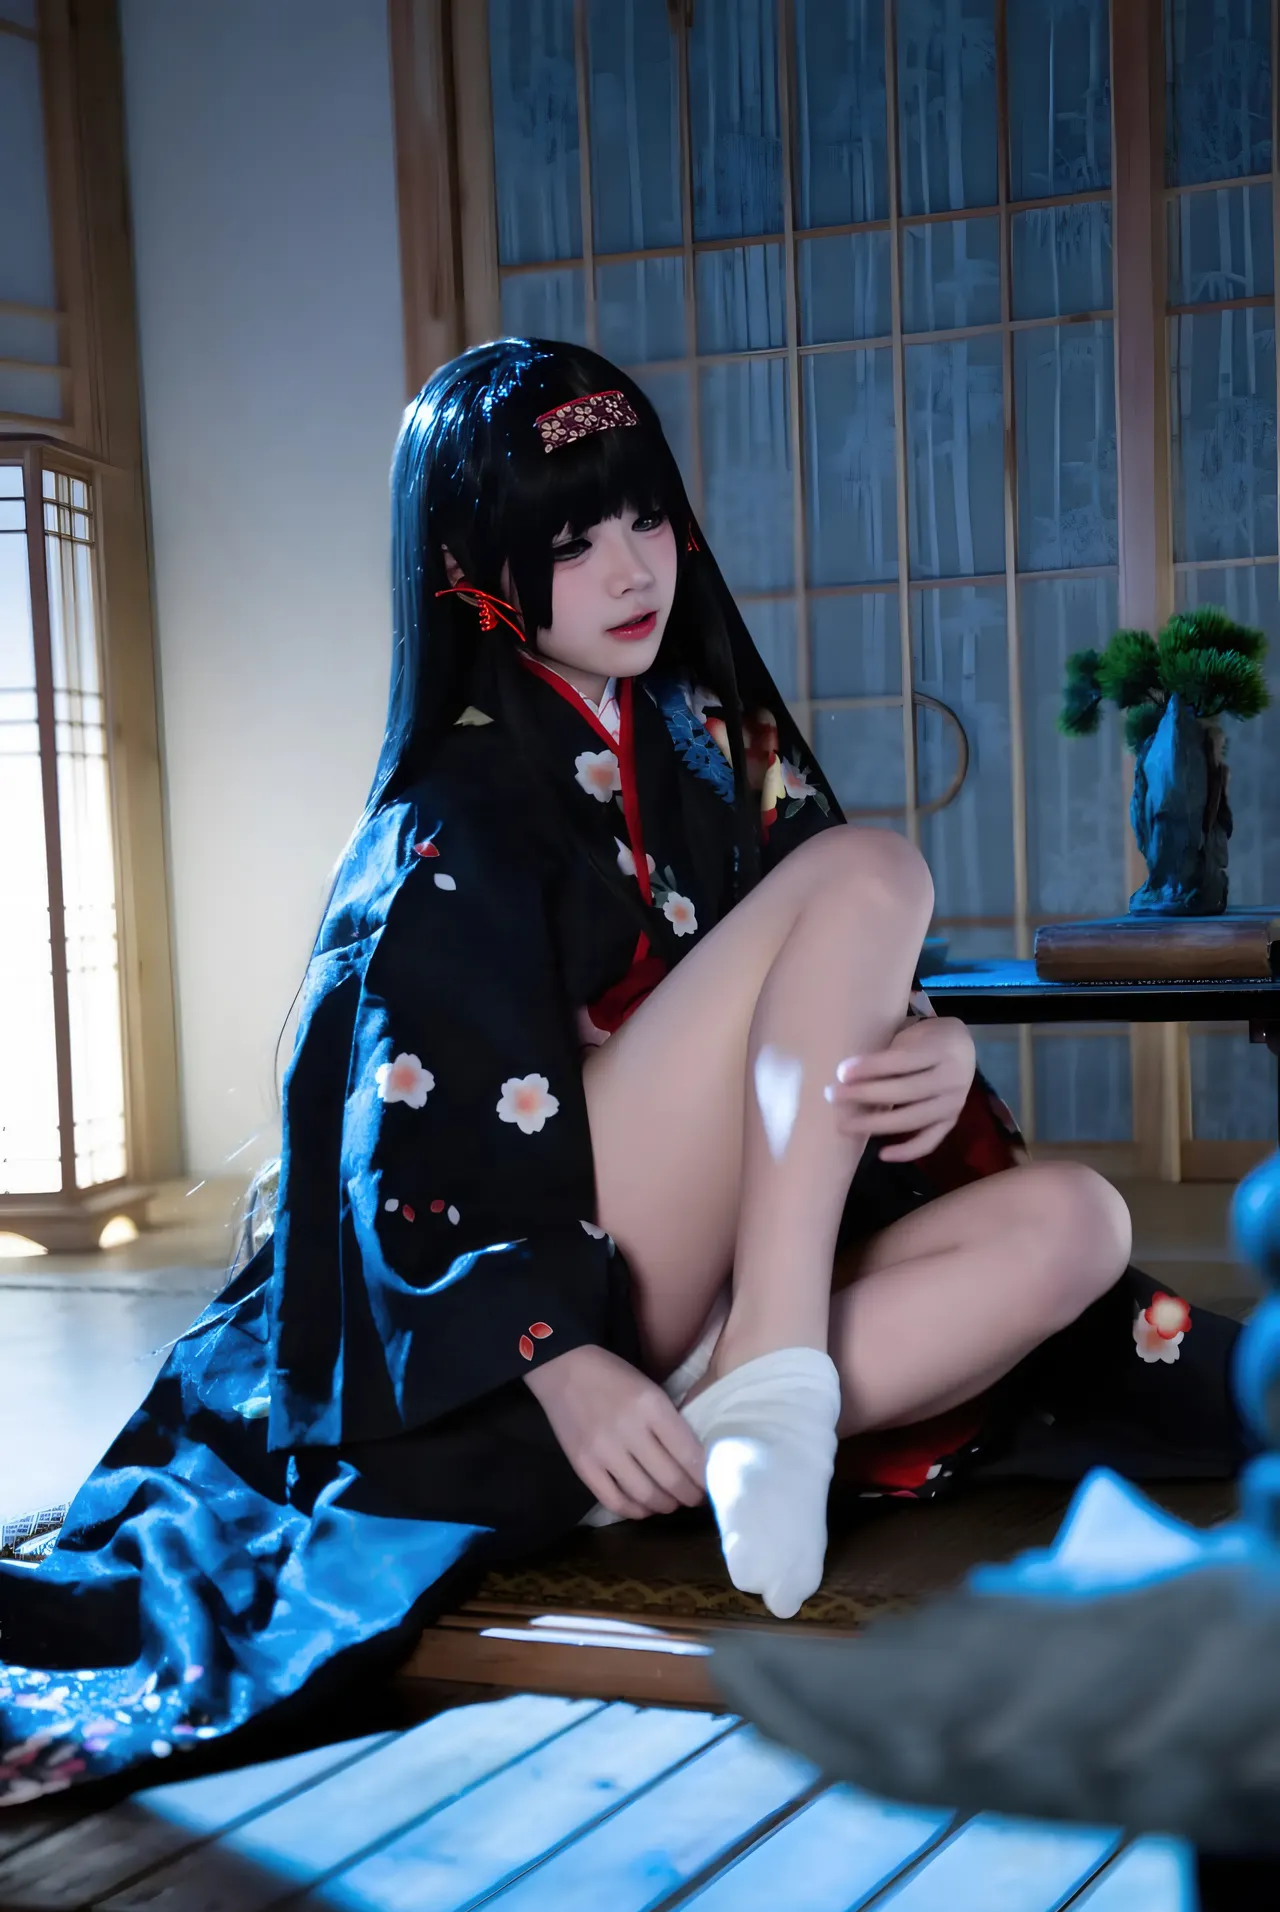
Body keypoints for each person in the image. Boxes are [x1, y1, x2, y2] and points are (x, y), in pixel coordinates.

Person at [0, 340, 1248, 1807]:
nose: (632, 566)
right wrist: (554, 1355)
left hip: (711, 1288)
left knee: (1078, 1226)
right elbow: (399, 1139)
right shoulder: (455, 805)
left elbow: (845, 992)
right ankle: (762, 1378)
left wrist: (936, 1046)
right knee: (874, 868)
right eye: (572, 540)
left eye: (646, 516)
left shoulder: (721, 740)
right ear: (474, 566)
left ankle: (707, 1430)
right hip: (554, 1284)